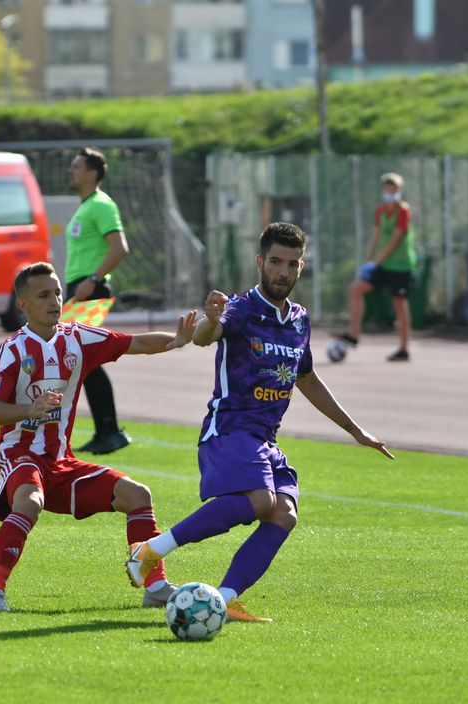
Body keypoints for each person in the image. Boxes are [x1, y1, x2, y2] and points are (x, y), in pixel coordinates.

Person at [126, 222, 393, 622]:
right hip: (229, 428)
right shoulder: (241, 308)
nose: (282, 271)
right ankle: (150, 551)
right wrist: (211, 318)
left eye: (291, 264)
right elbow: (204, 336)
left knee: (283, 512)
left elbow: (306, 379)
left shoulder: (299, 321)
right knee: (259, 500)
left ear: (301, 267)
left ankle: (225, 598)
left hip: (265, 439)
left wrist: (355, 430)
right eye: (274, 262)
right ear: (259, 262)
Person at [0, 262, 196, 612]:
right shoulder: (12, 349)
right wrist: (28, 410)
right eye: (44, 295)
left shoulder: (77, 337)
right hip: (19, 455)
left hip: (62, 462)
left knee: (138, 495)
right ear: (23, 305)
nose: (55, 301)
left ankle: (155, 588)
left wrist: (176, 341)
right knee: (29, 502)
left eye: (58, 293)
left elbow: (134, 342)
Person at [65, 146, 132, 454]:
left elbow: (119, 248)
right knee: (82, 360)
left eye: (77, 166)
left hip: (89, 289)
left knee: (84, 358)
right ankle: (104, 430)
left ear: (92, 173)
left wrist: (92, 281)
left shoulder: (102, 205)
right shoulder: (87, 205)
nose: (71, 171)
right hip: (81, 288)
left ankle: (110, 429)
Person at [334, 172, 417, 362]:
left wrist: (377, 262)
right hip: (382, 263)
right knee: (356, 289)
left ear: (399, 190)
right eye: (387, 188)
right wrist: (368, 261)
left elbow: (395, 240)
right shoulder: (380, 211)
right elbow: (377, 237)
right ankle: (353, 335)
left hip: (400, 265)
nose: (390, 191)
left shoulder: (403, 211)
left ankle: (404, 349)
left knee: (399, 304)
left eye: (394, 188)